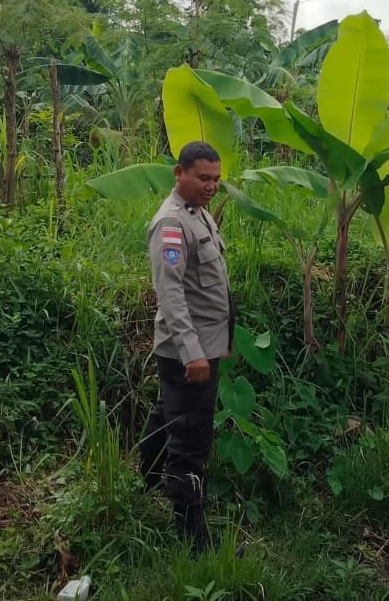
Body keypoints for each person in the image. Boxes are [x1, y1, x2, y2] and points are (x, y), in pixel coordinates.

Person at [138, 140, 235, 554]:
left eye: (216, 178)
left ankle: (144, 486)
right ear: (179, 174)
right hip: (188, 351)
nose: (211, 185)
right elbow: (171, 294)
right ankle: (193, 539)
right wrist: (193, 352)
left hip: (203, 345)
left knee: (166, 418)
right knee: (190, 442)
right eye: (202, 177)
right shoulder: (172, 223)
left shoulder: (199, 214)